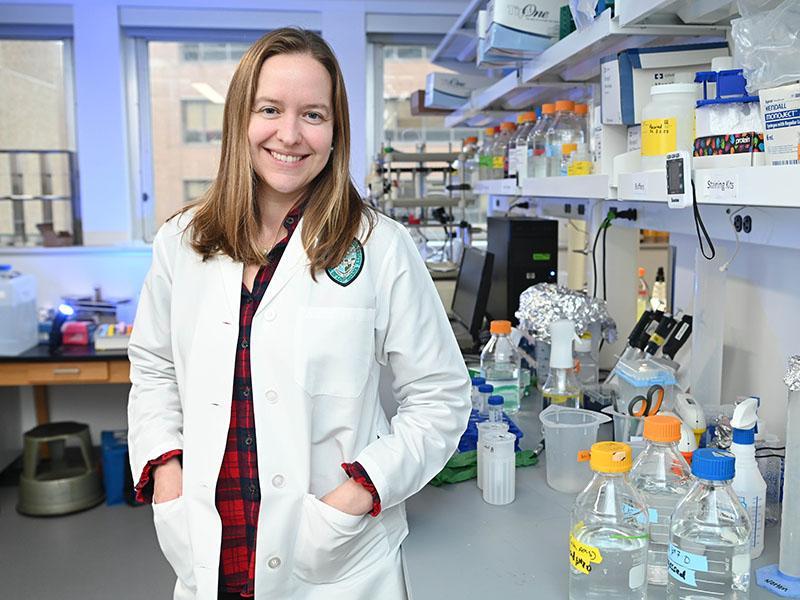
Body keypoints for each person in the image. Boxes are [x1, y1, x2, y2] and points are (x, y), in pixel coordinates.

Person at [127, 27, 471, 600]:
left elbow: (440, 396)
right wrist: (168, 478)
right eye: (270, 109)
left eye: (313, 114)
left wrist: (358, 494)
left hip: (333, 558)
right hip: (212, 547)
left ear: (336, 132)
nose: (290, 135)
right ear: (240, 118)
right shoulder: (179, 242)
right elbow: (155, 370)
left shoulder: (381, 248)